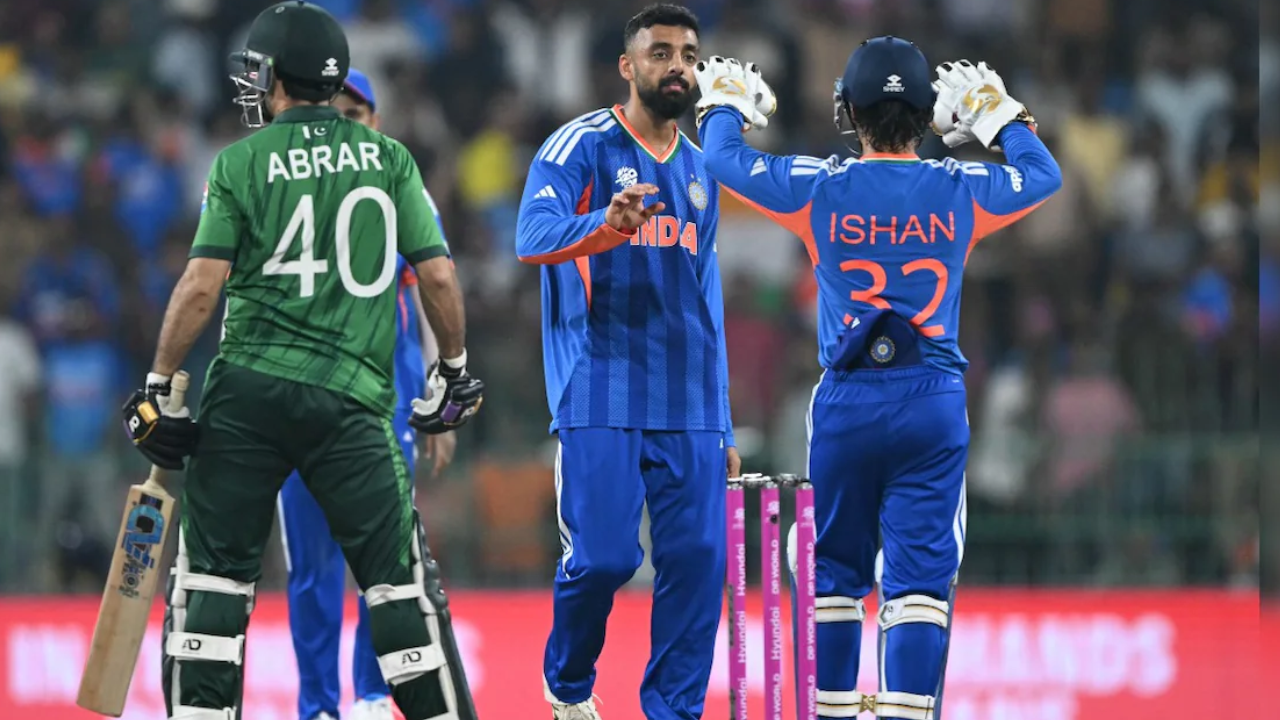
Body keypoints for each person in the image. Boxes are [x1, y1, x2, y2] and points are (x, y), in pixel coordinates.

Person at [118, 3, 484, 719]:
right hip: (354, 402)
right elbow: (439, 278)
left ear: (279, 76)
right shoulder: (390, 159)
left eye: (258, 70)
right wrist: (452, 373)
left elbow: (201, 286)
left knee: (212, 586)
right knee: (401, 587)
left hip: (248, 400)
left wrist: (157, 385)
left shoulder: (238, 161)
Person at [693, 44, 1061, 719]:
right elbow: (1041, 175)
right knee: (919, 583)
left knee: (833, 575)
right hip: (932, 403)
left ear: (849, 112)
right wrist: (1000, 116)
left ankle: (834, 713)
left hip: (848, 402)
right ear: (927, 115)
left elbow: (720, 159)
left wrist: (723, 105)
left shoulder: (819, 187)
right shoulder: (960, 189)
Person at [512, 4, 769, 719]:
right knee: (604, 558)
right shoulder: (581, 144)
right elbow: (531, 237)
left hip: (689, 399)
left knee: (699, 565)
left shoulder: (702, 167)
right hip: (600, 382)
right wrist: (606, 224)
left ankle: (673, 712)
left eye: (688, 54)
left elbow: (706, 295)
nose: (677, 66)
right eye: (660, 53)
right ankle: (568, 686)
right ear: (628, 67)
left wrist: (723, 421)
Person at [275, 67, 459, 720]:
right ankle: (318, 706)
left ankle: (373, 697)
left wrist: (440, 395)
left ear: (376, 124)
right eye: (336, 115)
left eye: (357, 116)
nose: (346, 126)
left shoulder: (400, 186)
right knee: (312, 566)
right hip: (296, 396)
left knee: (380, 560)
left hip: (385, 397)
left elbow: (434, 287)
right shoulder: (281, 186)